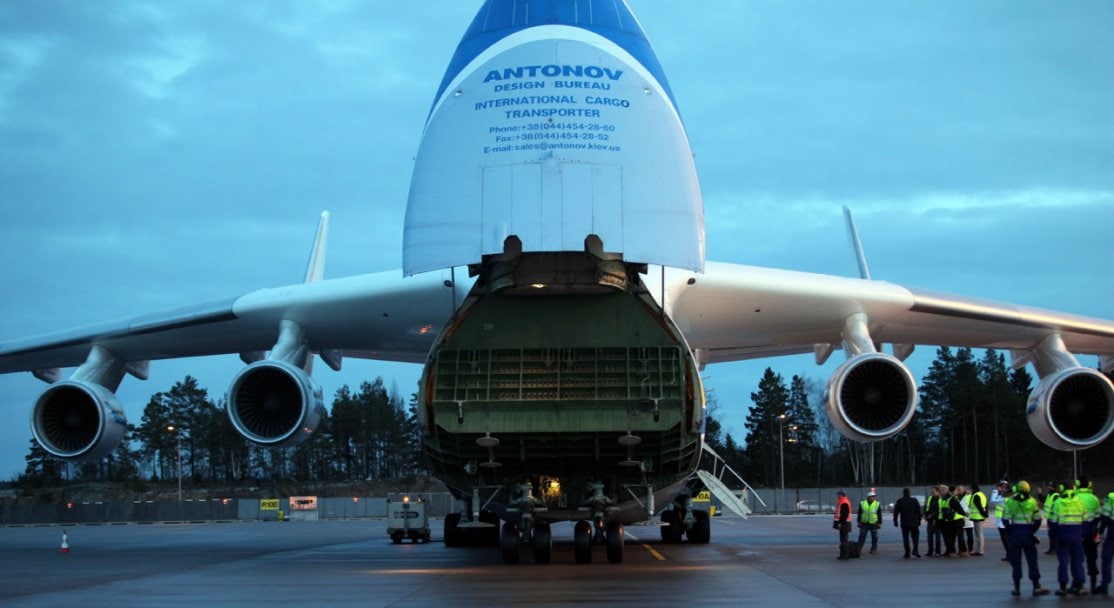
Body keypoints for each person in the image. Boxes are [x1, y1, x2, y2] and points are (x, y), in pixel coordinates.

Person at [1002, 480, 1051, 597]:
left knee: (1016, 561)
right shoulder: (1032, 501)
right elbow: (1038, 520)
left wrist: (1010, 531)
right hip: (1028, 533)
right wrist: (1032, 531)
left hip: (1015, 533)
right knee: (1032, 560)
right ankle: (1036, 586)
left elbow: (1005, 519)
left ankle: (1017, 587)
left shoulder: (1010, 501)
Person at [1051, 481, 1088, 595]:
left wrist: (1053, 536)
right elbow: (1085, 519)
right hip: (1076, 535)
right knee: (1077, 561)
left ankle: (1063, 587)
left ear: (1062, 488)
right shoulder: (1080, 502)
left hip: (1063, 535)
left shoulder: (1058, 502)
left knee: (1063, 562)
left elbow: (1053, 521)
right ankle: (1079, 586)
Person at [1076, 476, 1101, 592]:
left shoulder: (1075, 497)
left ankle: (1078, 584)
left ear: (1077, 484)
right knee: (1092, 558)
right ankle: (1093, 584)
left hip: (1078, 531)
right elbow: (1098, 516)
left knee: (1077, 559)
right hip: (1091, 531)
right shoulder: (1094, 498)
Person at [893, 487, 922, 558]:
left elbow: (896, 512)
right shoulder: (914, 500)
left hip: (904, 522)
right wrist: (919, 520)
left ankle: (907, 553)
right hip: (914, 522)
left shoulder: (900, 501)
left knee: (905, 538)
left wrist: (895, 521)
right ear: (909, 493)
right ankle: (915, 550)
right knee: (915, 537)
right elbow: (919, 511)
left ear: (903, 493)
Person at [1098, 490, 1114, 595]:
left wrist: (1100, 531)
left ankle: (1105, 584)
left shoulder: (1111, 496)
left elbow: (1105, 516)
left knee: (1106, 557)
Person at [858, 490, 882, 555]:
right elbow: (859, 513)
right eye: (872, 496)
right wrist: (859, 521)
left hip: (873, 523)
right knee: (862, 536)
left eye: (874, 497)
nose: (874, 498)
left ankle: (873, 549)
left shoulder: (877, 504)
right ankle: (858, 549)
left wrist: (879, 523)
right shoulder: (862, 503)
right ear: (868, 497)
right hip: (864, 522)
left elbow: (879, 514)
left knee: (874, 537)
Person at [991, 481, 1010, 561]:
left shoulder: (1004, 498)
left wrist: (996, 492)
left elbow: (993, 501)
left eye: (1001, 486)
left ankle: (1010, 555)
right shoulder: (1007, 496)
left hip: (1003, 520)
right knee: (1007, 538)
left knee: (1005, 539)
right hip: (1005, 520)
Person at [967, 482, 988, 556]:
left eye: (971, 488)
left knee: (978, 534)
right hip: (979, 516)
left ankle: (980, 550)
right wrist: (985, 514)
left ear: (973, 489)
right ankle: (979, 550)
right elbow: (985, 505)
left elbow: (979, 507)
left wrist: (983, 514)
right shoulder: (981, 494)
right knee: (979, 534)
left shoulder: (976, 496)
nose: (970, 490)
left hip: (978, 517)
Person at [834, 489, 853, 559]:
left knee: (844, 540)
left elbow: (844, 514)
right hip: (845, 523)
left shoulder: (844, 502)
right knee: (843, 540)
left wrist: (840, 523)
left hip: (844, 524)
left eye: (838, 494)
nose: (837, 496)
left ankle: (845, 555)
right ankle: (843, 555)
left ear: (841, 495)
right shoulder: (843, 501)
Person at [1045, 481, 1062, 555]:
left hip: (1054, 518)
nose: (1049, 487)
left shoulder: (1056, 496)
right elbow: (1044, 501)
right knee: (1051, 534)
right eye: (1049, 486)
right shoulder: (1049, 495)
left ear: (1054, 487)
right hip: (1050, 517)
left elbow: (1056, 507)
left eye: (1050, 486)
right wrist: (1039, 494)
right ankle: (1052, 548)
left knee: (1054, 534)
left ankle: (1055, 549)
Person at [925, 486, 941, 557]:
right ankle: (930, 551)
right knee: (929, 536)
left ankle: (938, 551)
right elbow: (927, 507)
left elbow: (938, 510)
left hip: (937, 520)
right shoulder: (930, 498)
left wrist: (934, 518)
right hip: (930, 520)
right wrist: (925, 515)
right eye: (932, 491)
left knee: (937, 536)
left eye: (933, 491)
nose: (932, 493)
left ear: (938, 491)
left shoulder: (940, 499)